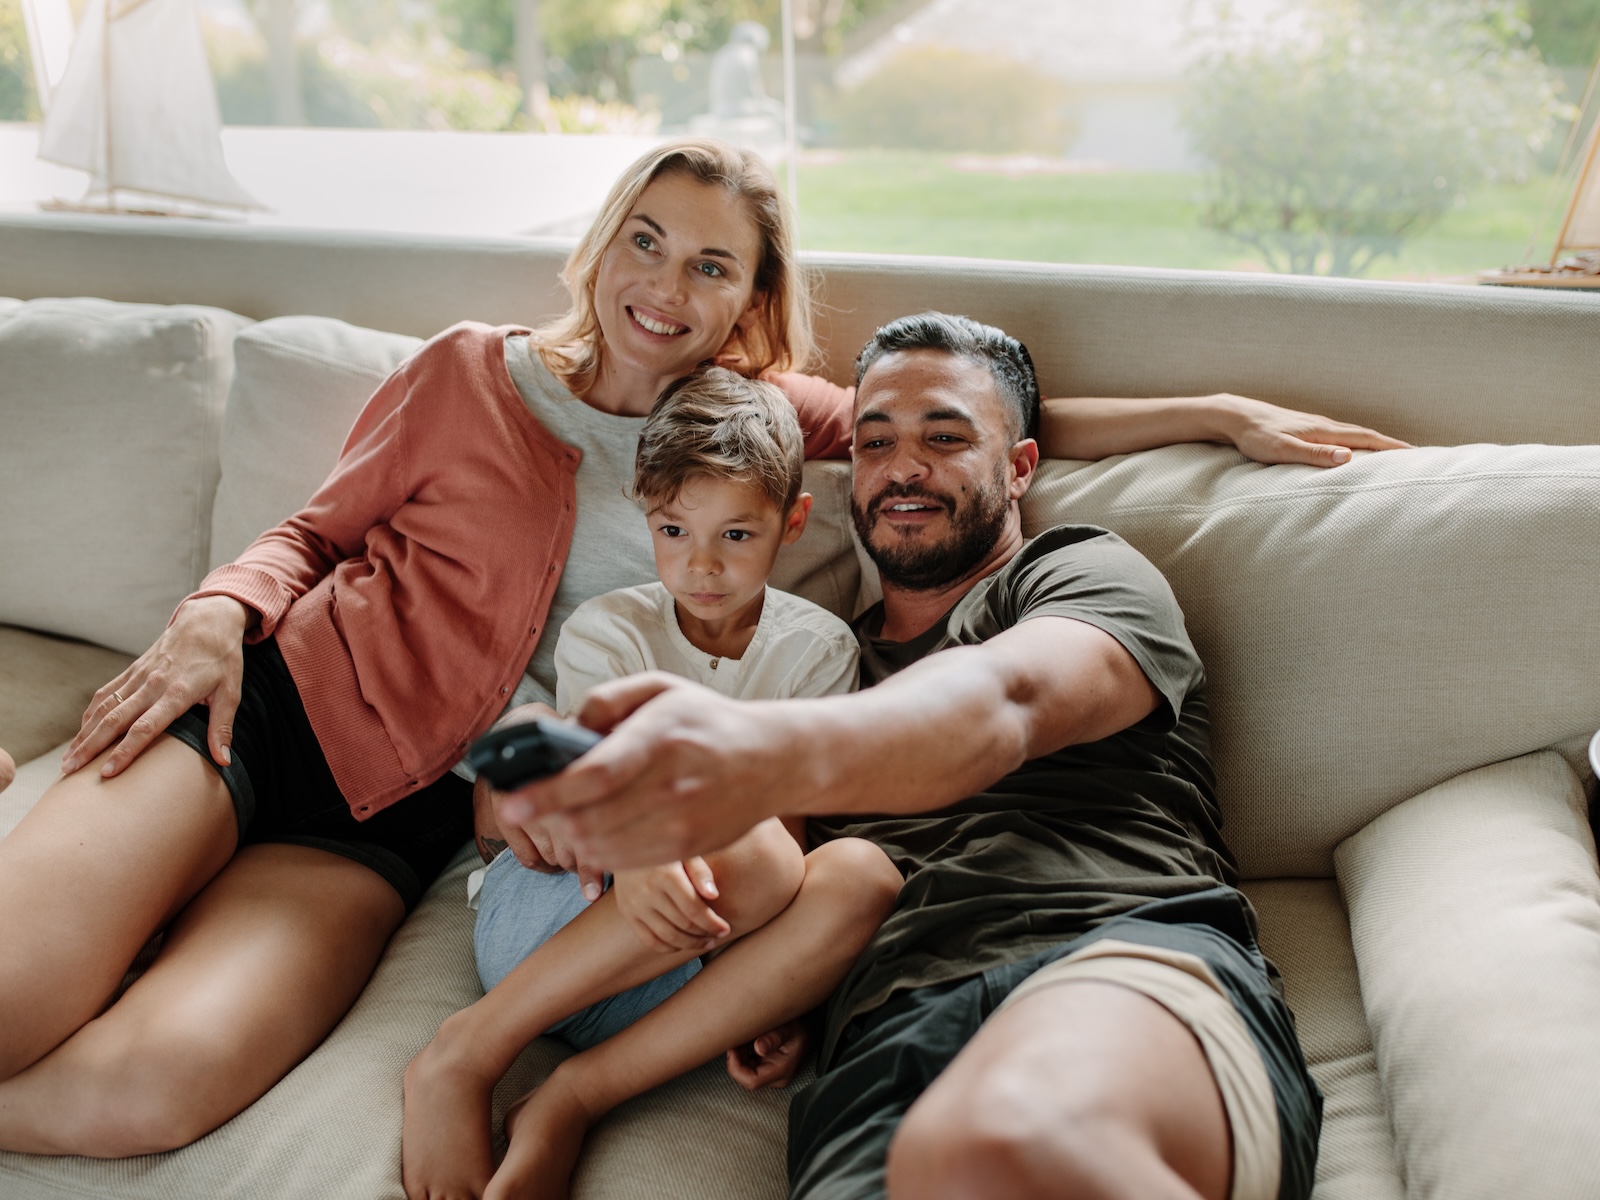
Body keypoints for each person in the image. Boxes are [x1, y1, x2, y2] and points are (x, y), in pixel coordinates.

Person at [0, 133, 1395, 1161]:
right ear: (605, 245)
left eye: (712, 264)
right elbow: (311, 534)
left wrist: (1219, 410)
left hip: (395, 820)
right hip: (270, 714)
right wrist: (211, 615)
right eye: (648, 241)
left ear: (748, 301)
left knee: (141, 1098)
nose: (667, 284)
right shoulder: (469, 372)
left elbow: (973, 420)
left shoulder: (769, 421)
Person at [503, 312, 1322, 1200]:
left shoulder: (1079, 574)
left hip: (1108, 959)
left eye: (945, 437)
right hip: (881, 1047)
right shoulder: (815, 665)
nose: (902, 467)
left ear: (1019, 469)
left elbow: (1003, 705)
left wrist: (754, 752)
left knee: (998, 1141)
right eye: (875, 441)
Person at [402, 367, 902, 1200]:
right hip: (563, 917)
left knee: (862, 876)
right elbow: (588, 794)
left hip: (693, 966)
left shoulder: (815, 649)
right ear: (647, 520)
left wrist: (785, 993)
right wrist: (642, 851)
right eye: (674, 531)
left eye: (736, 537)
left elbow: (785, 846)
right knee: (735, 844)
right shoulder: (611, 631)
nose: (701, 566)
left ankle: (572, 1095)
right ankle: (466, 1052)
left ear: (793, 523)